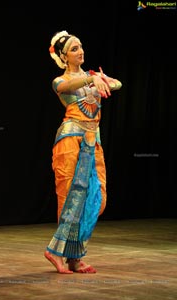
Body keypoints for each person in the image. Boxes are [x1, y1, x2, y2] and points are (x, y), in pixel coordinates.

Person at [44, 30, 122, 274]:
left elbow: (117, 84)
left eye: (81, 46)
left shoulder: (92, 77)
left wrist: (100, 77)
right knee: (70, 198)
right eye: (75, 49)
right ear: (64, 57)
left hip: (92, 141)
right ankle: (56, 252)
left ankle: (74, 256)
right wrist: (91, 80)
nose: (81, 51)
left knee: (96, 200)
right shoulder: (60, 81)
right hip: (70, 140)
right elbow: (67, 85)